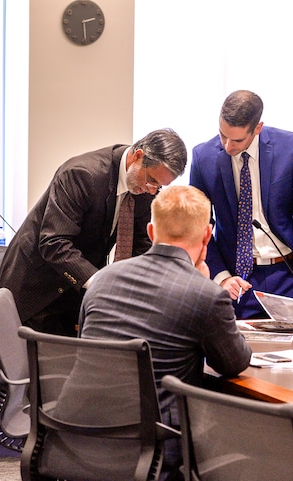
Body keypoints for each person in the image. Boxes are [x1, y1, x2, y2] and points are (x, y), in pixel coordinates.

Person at [79, 185, 252, 481]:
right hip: (157, 450)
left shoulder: (102, 280)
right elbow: (234, 363)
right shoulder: (205, 294)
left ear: (150, 231)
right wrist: (203, 283)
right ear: (207, 235)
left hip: (80, 435)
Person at [0, 128, 188, 337]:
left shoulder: (144, 189)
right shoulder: (82, 174)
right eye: (152, 180)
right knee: (34, 357)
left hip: (74, 293)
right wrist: (102, 283)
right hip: (36, 288)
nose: (152, 190)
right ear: (137, 156)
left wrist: (140, 287)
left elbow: (139, 245)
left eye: (160, 187)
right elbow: (54, 242)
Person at [190, 90, 293, 319]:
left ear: (258, 128)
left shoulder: (290, 148)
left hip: (287, 274)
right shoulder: (203, 157)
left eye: (237, 140)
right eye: (222, 135)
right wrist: (222, 276)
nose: (227, 146)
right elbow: (200, 225)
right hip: (236, 278)